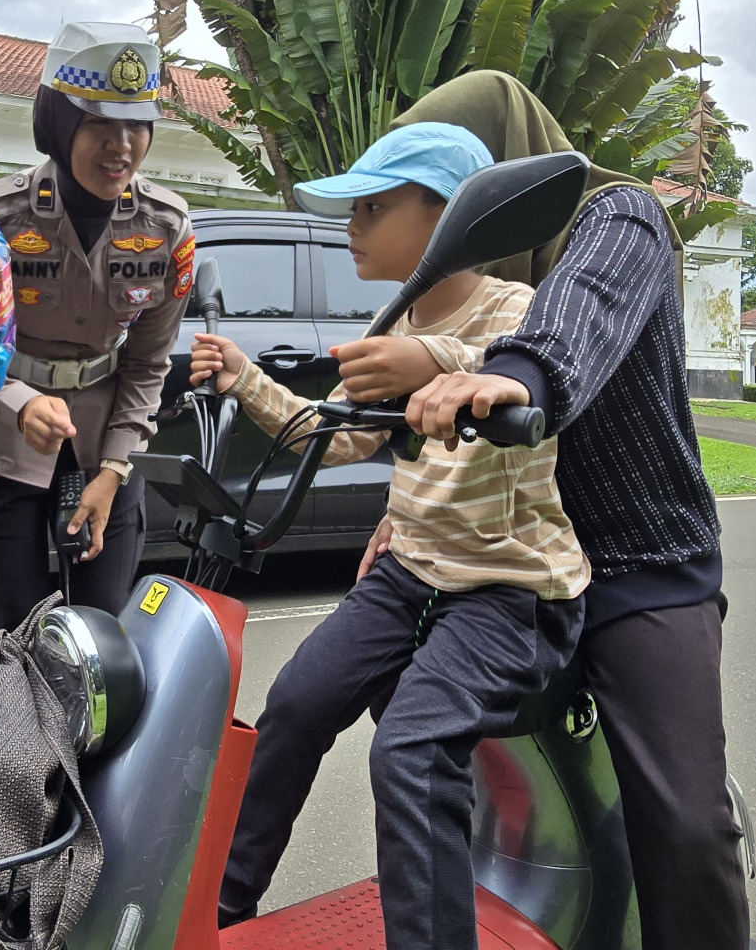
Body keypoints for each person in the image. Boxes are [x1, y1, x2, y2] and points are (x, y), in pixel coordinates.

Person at [334, 70, 750, 950]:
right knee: (382, 707)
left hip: (640, 566)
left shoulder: (617, 218)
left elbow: (577, 317)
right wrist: (398, 516)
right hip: (511, 567)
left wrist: (515, 377)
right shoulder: (454, 285)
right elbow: (421, 434)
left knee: (683, 819)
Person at [195, 123, 589, 950]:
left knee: (410, 752)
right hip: (409, 573)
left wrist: (429, 359)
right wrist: (243, 375)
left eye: (374, 207)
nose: (353, 226)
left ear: (454, 219)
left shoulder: (515, 310)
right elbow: (336, 435)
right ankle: (218, 911)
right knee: (296, 704)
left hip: (508, 591)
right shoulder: (395, 315)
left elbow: (500, 360)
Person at [0, 22, 194, 632]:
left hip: (107, 446)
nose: (122, 146)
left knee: (101, 633)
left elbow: (148, 362)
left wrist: (112, 470)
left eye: (137, 124)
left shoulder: (166, 228)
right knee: (9, 636)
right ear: (58, 122)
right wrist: (23, 402)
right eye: (100, 123)